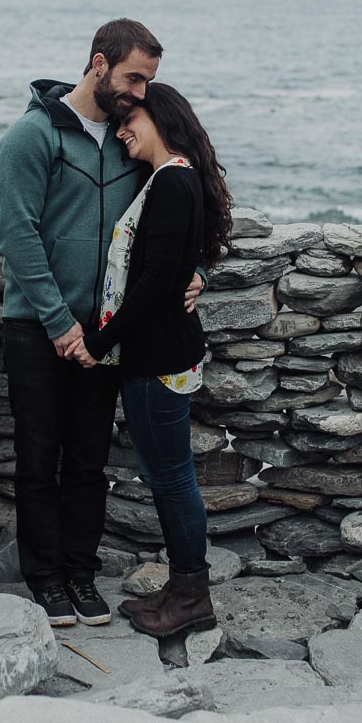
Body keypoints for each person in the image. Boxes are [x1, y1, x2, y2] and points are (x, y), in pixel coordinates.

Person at [0, 19, 203, 627]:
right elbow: (19, 236)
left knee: (88, 459)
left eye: (149, 81)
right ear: (98, 64)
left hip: (109, 329)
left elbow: (175, 221)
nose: (141, 92)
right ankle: (46, 580)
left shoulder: (130, 136)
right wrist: (61, 326)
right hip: (39, 326)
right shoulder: (30, 138)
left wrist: (197, 277)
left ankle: (81, 576)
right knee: (38, 456)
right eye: (134, 77)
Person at [70, 83, 233, 638]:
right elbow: (184, 259)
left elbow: (158, 282)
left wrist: (97, 340)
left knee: (171, 479)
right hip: (161, 352)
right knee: (170, 476)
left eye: (130, 118)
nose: (120, 131)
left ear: (159, 116)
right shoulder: (171, 179)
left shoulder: (173, 181)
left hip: (157, 358)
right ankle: (184, 589)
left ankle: (191, 597)